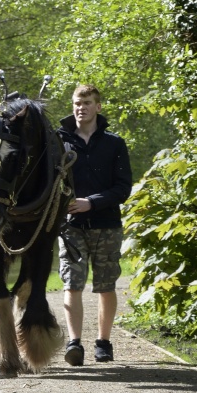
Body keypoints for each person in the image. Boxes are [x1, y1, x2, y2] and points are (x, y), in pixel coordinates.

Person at [57, 84, 133, 366]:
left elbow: (123, 188)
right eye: (77, 102)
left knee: (105, 285)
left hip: (107, 224)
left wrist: (92, 201)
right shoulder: (58, 141)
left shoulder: (114, 143)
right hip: (70, 227)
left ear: (98, 107)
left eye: (87, 102)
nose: (81, 107)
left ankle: (103, 342)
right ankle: (74, 343)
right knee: (71, 282)